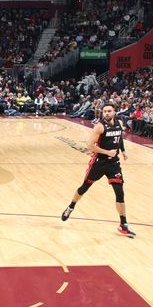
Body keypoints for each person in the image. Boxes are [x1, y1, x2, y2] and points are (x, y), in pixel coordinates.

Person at [61, 101, 136, 238]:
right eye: (105, 111)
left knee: (120, 193)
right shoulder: (99, 127)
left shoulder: (119, 123)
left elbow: (119, 139)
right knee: (84, 187)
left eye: (109, 111)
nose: (107, 113)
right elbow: (90, 146)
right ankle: (71, 206)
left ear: (114, 112)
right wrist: (107, 152)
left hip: (114, 164)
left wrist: (123, 151)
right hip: (99, 163)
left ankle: (123, 224)